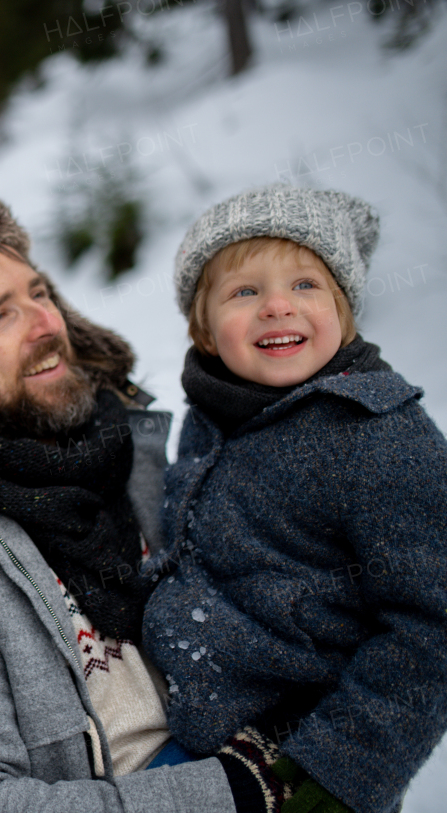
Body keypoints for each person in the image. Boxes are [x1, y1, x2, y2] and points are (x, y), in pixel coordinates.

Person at [0, 182, 267, 813]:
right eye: (0, 315)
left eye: (39, 293)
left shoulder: (151, 457)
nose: (47, 324)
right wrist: (227, 793)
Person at [142, 184, 447, 813]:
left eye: (306, 286)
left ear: (344, 309)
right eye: (244, 291)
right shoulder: (214, 414)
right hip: (197, 733)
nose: (277, 306)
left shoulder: (377, 436)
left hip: (302, 759)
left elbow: (432, 625)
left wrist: (340, 772)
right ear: (203, 329)